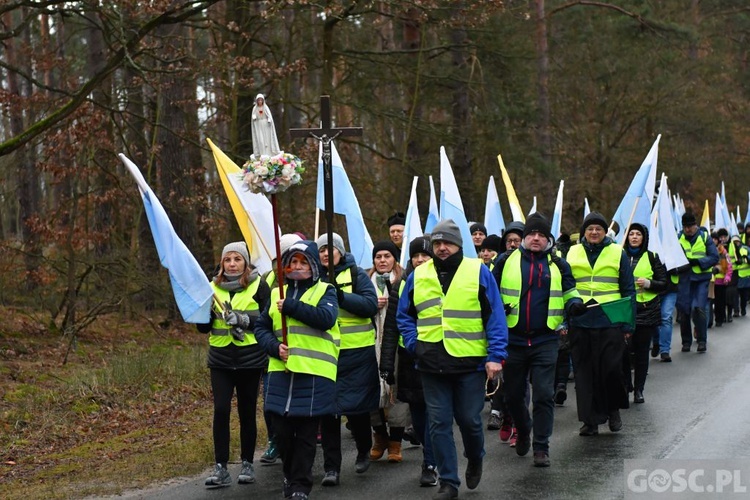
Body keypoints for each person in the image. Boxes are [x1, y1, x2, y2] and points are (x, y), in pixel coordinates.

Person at [398, 219, 508, 500]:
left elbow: (495, 316)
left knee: (470, 420)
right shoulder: (418, 275)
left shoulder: (478, 271)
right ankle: (449, 481)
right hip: (431, 362)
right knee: (438, 422)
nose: (442, 248)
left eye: (447, 242)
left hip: (469, 362)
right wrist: (414, 344)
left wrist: (496, 356)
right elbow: (404, 315)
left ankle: (475, 456)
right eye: (437, 243)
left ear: (460, 245)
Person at [493, 213, 583, 467]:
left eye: (541, 235)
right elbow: (490, 293)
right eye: (532, 234)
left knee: (544, 394)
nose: (536, 238)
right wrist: (501, 307)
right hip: (513, 340)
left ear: (548, 240)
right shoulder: (505, 261)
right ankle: (523, 430)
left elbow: (569, 290)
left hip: (545, 339)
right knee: (512, 396)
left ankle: (541, 447)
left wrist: (574, 303)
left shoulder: (558, 265)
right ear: (524, 237)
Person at [254, 240, 340, 500]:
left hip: (314, 372)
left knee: (305, 435)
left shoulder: (326, 290)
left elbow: (326, 319)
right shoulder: (275, 293)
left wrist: (291, 307)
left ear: (313, 266)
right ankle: (290, 477)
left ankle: (300, 487)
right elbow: (261, 328)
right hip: (280, 373)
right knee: (280, 431)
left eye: (303, 262)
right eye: (293, 262)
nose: (298, 266)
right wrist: (274, 347)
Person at [198, 242, 271, 487]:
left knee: (247, 412)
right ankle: (220, 467)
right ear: (221, 263)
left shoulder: (258, 285)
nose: (231, 263)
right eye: (227, 259)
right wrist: (203, 313)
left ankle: (248, 463)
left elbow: (267, 318)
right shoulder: (210, 287)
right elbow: (202, 328)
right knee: (220, 411)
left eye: (237, 259)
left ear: (245, 263)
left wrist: (241, 319)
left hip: (250, 358)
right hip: (220, 359)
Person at [316, 233, 380, 486]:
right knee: (328, 412)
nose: (324, 254)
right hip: (326, 353)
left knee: (357, 409)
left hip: (357, 352)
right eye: (320, 250)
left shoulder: (356, 274)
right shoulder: (313, 277)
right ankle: (332, 468)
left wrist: (341, 297)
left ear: (340, 252)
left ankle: (364, 448)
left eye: (329, 249)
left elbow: (369, 305)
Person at [567, 212, 635, 436]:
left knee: (611, 371)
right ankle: (590, 420)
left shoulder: (617, 252)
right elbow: (565, 285)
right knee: (585, 374)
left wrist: (627, 324)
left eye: (599, 228)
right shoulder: (573, 251)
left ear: (606, 232)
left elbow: (628, 290)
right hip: (581, 319)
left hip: (611, 319)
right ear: (584, 232)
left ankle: (613, 410)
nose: (594, 232)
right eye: (590, 228)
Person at [380, 236, 439, 487]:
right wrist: (385, 364)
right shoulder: (401, 284)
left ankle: (430, 462)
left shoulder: (442, 280)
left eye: (425, 255)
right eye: (416, 255)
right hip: (409, 356)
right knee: (418, 412)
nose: (420, 259)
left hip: (438, 355)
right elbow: (392, 327)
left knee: (435, 411)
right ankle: (430, 451)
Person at [260, 232, 303, 465]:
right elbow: (262, 318)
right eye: (283, 257)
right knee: (271, 402)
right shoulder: (267, 280)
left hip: (303, 352)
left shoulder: (305, 279)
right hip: (274, 353)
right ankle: (274, 441)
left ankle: (299, 442)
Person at [366, 241, 410, 464]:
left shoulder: (403, 281)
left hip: (395, 345)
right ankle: (379, 437)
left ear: (395, 259)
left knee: (395, 392)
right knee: (371, 390)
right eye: (378, 257)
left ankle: (396, 442)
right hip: (370, 344)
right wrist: (370, 304)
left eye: (387, 256)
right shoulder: (365, 282)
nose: (382, 260)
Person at [488, 221, 524, 439]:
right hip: (503, 330)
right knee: (503, 378)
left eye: (516, 241)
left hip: (526, 333)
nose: (512, 245)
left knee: (520, 383)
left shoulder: (534, 263)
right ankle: (505, 415)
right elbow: (491, 294)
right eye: (509, 241)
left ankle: (518, 424)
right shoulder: (499, 262)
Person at [623, 223, 667, 404]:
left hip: (646, 311)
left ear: (643, 238)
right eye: (631, 234)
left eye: (638, 234)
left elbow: (664, 283)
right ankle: (626, 383)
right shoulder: (620, 255)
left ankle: (639, 389)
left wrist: (649, 283)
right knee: (623, 352)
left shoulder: (652, 257)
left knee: (641, 353)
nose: (634, 237)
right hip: (625, 311)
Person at [677, 212, 719, 353]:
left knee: (698, 308)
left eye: (690, 226)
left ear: (696, 225)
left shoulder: (705, 237)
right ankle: (686, 342)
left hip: (701, 279)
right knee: (684, 310)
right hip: (685, 279)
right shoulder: (678, 238)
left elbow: (714, 257)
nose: (688, 229)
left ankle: (702, 340)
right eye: (685, 226)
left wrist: (698, 262)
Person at [711, 233, 732, 327]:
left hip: (720, 282)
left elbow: (729, 266)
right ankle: (710, 321)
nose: (713, 241)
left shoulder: (723, 252)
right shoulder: (707, 251)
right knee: (710, 302)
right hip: (710, 281)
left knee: (720, 302)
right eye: (712, 239)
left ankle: (720, 318)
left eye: (715, 239)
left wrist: (727, 277)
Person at [732, 236, 750, 316]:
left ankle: (743, 308)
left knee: (744, 296)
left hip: (745, 276)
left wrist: (747, 258)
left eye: (737, 241)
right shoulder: (732, 250)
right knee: (735, 294)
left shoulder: (746, 249)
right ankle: (736, 310)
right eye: (734, 242)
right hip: (736, 275)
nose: (736, 243)